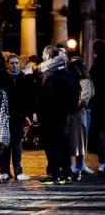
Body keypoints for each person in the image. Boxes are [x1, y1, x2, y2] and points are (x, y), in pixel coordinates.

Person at [38, 45, 75, 184]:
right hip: (63, 115)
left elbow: (47, 96)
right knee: (64, 145)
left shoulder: (49, 72)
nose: (42, 57)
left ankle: (54, 174)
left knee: (52, 146)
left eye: (43, 55)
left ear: (47, 56)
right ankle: (67, 174)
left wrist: (40, 113)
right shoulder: (64, 70)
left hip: (50, 116)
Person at [0, 54, 35, 181]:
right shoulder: (2, 77)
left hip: (18, 116)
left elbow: (29, 97)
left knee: (17, 145)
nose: (15, 65)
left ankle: (18, 171)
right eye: (12, 63)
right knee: (4, 144)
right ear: (7, 64)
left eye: (17, 63)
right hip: (5, 116)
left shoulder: (24, 78)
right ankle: (4, 170)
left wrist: (27, 115)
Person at [67, 56, 95, 180]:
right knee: (72, 140)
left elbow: (84, 99)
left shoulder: (84, 81)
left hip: (80, 114)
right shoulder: (75, 80)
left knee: (81, 140)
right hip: (73, 114)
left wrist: (73, 104)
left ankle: (79, 166)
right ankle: (72, 165)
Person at [89, 39, 105, 177]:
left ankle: (103, 163)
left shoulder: (95, 67)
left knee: (101, 136)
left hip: (99, 106)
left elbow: (92, 87)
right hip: (99, 105)